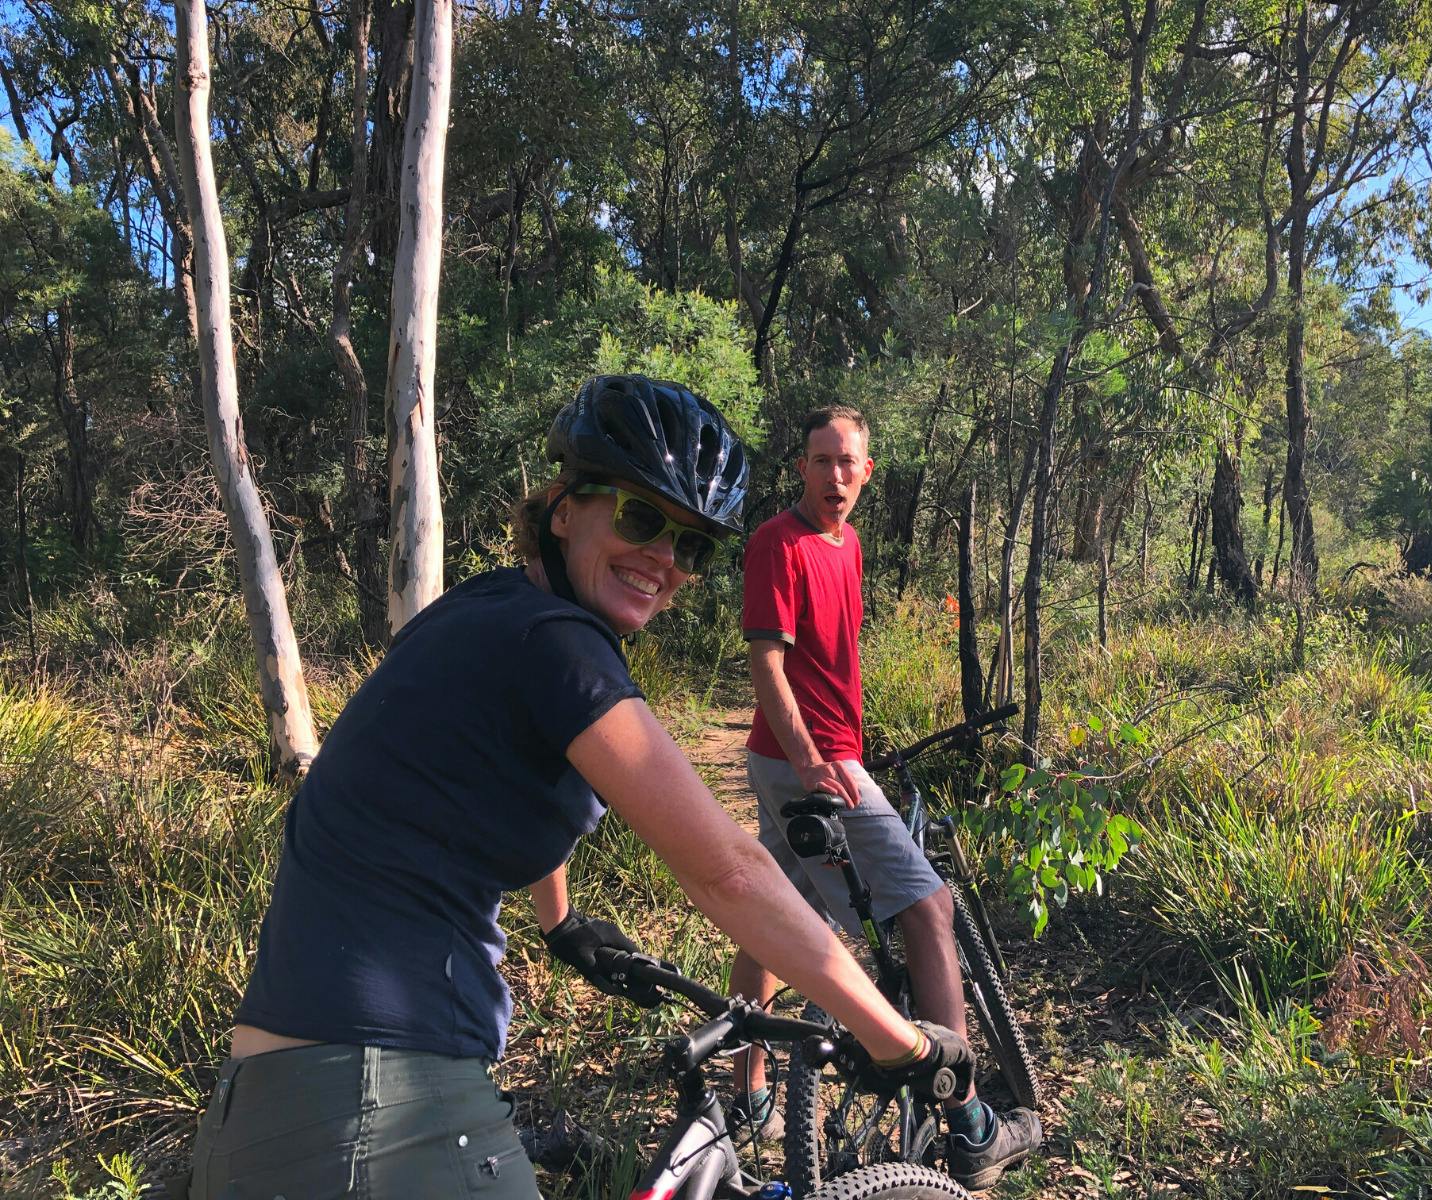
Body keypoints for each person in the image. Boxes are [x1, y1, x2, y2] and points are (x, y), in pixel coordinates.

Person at [183, 377, 972, 1199]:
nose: (664, 559)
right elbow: (729, 872)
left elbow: (500, 780)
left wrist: (560, 923)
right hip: (377, 1100)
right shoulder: (559, 649)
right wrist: (900, 1040)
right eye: (641, 519)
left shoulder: (492, 608)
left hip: (269, 1105)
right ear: (563, 508)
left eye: (691, 545)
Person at [727, 405, 1042, 1191]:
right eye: (821, 460)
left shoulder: (850, 544)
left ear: (867, 472)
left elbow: (831, 661)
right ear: (801, 467)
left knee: (771, 914)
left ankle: (748, 1094)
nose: (835, 475)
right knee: (929, 907)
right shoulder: (779, 543)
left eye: (848, 462)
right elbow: (767, 664)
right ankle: (968, 1119)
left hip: (812, 758)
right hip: (806, 763)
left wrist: (847, 745)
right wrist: (813, 760)